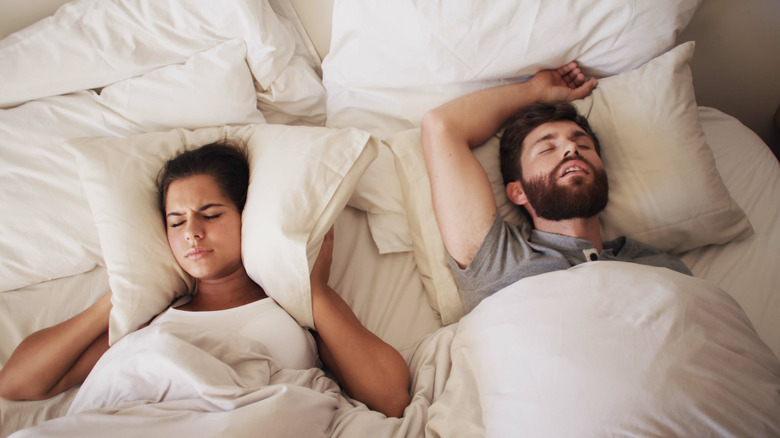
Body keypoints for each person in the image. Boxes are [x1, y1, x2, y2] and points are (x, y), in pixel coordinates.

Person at [0, 142, 411, 418]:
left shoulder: (293, 311)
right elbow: (17, 383)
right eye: (176, 221)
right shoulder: (151, 322)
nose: (191, 232)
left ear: (245, 219)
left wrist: (313, 289)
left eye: (210, 214)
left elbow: (390, 397)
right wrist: (121, 297)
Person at [421, 62, 692, 313]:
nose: (573, 148)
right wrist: (535, 90)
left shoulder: (660, 267)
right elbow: (442, 126)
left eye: (583, 145)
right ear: (519, 191)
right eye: (548, 148)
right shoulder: (497, 261)